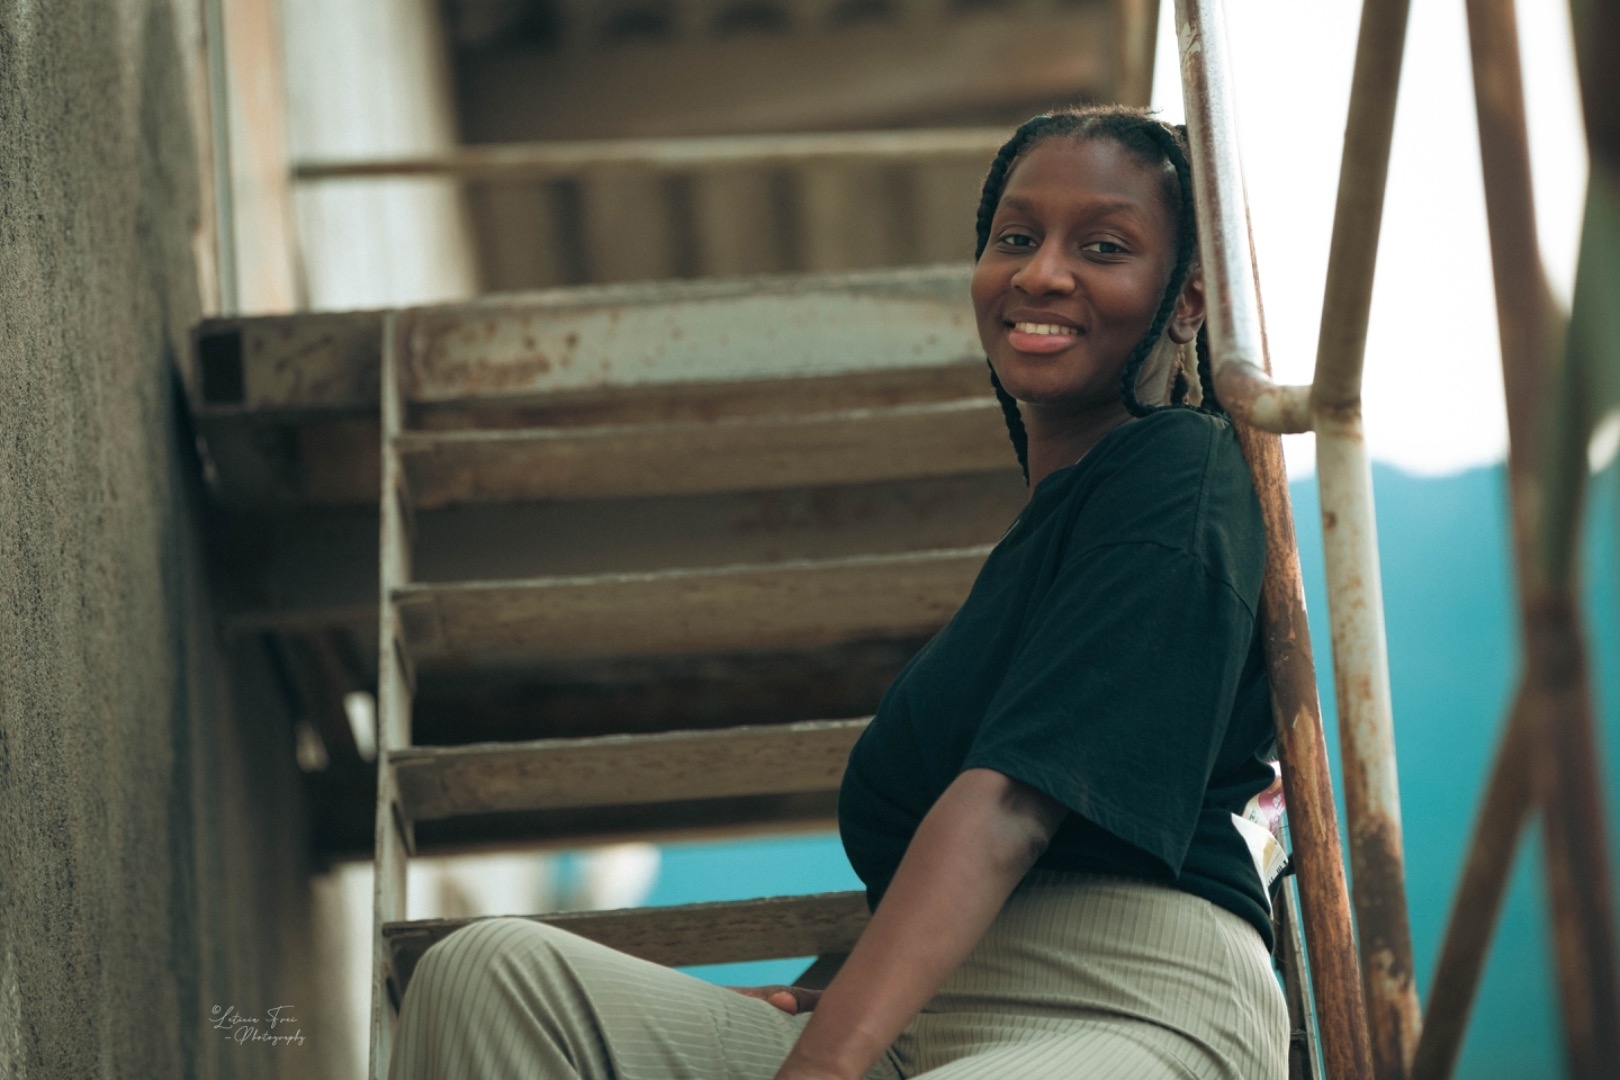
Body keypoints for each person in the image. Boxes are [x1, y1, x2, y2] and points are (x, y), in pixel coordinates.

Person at [387, 105, 1289, 1080]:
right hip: (936, 1016)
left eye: (1102, 247)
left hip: (1135, 1008)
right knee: (490, 977)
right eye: (1015, 238)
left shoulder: (1183, 470)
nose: (1040, 274)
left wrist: (822, 1062)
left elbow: (1012, 812)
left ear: (1186, 300)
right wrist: (839, 1000)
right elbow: (938, 872)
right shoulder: (1037, 554)